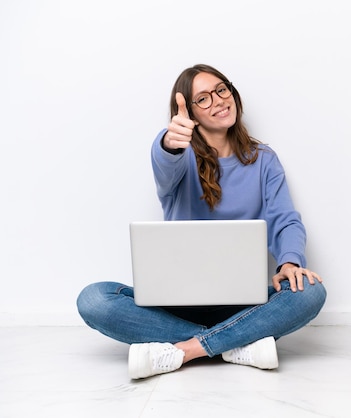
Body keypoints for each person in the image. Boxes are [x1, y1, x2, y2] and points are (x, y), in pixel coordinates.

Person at [76, 64, 327, 379]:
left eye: (222, 90)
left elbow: (284, 218)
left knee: (311, 291)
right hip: (175, 301)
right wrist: (170, 141)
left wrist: (290, 262)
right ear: (190, 113)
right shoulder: (179, 158)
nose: (219, 101)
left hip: (242, 302)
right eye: (204, 99)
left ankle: (185, 349)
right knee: (94, 299)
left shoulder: (263, 159)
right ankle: (239, 342)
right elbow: (165, 159)